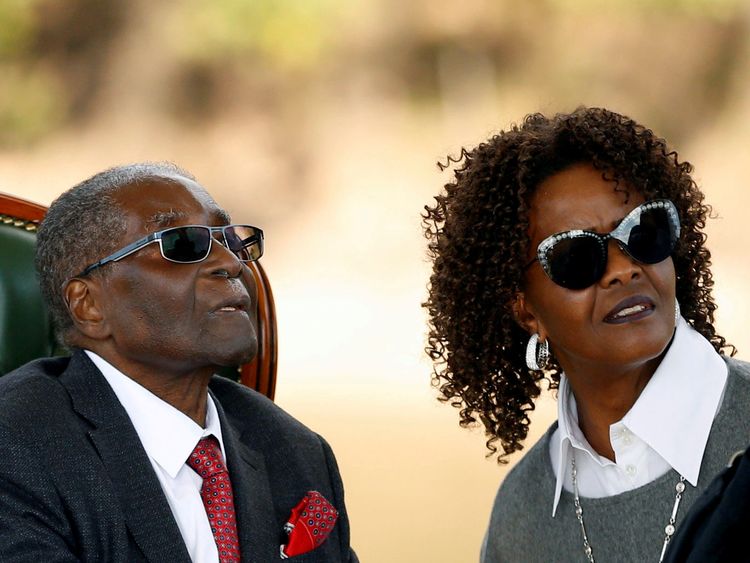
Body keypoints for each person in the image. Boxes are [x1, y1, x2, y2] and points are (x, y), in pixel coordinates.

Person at [422, 107, 750, 562]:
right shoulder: (522, 519)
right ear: (525, 309)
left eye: (644, 232)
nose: (623, 269)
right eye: (576, 256)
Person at [0, 163, 358, 562]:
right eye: (183, 243)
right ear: (90, 305)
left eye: (230, 241)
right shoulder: (15, 447)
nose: (232, 264)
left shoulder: (294, 450)